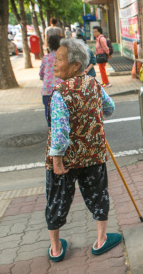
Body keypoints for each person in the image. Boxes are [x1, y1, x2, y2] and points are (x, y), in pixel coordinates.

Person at [45, 38, 121, 262]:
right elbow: (110, 108)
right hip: (93, 155)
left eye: (60, 59)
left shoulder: (60, 92)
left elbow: (60, 131)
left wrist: (57, 161)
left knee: (58, 200)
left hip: (65, 161)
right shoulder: (94, 85)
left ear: (75, 65)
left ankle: (56, 248)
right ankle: (100, 240)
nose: (54, 63)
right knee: (98, 196)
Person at [39, 35, 63, 127]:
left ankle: (51, 129)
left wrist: (43, 78)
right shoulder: (65, 58)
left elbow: (41, 73)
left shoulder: (46, 58)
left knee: (49, 111)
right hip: (62, 88)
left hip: (47, 89)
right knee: (63, 110)